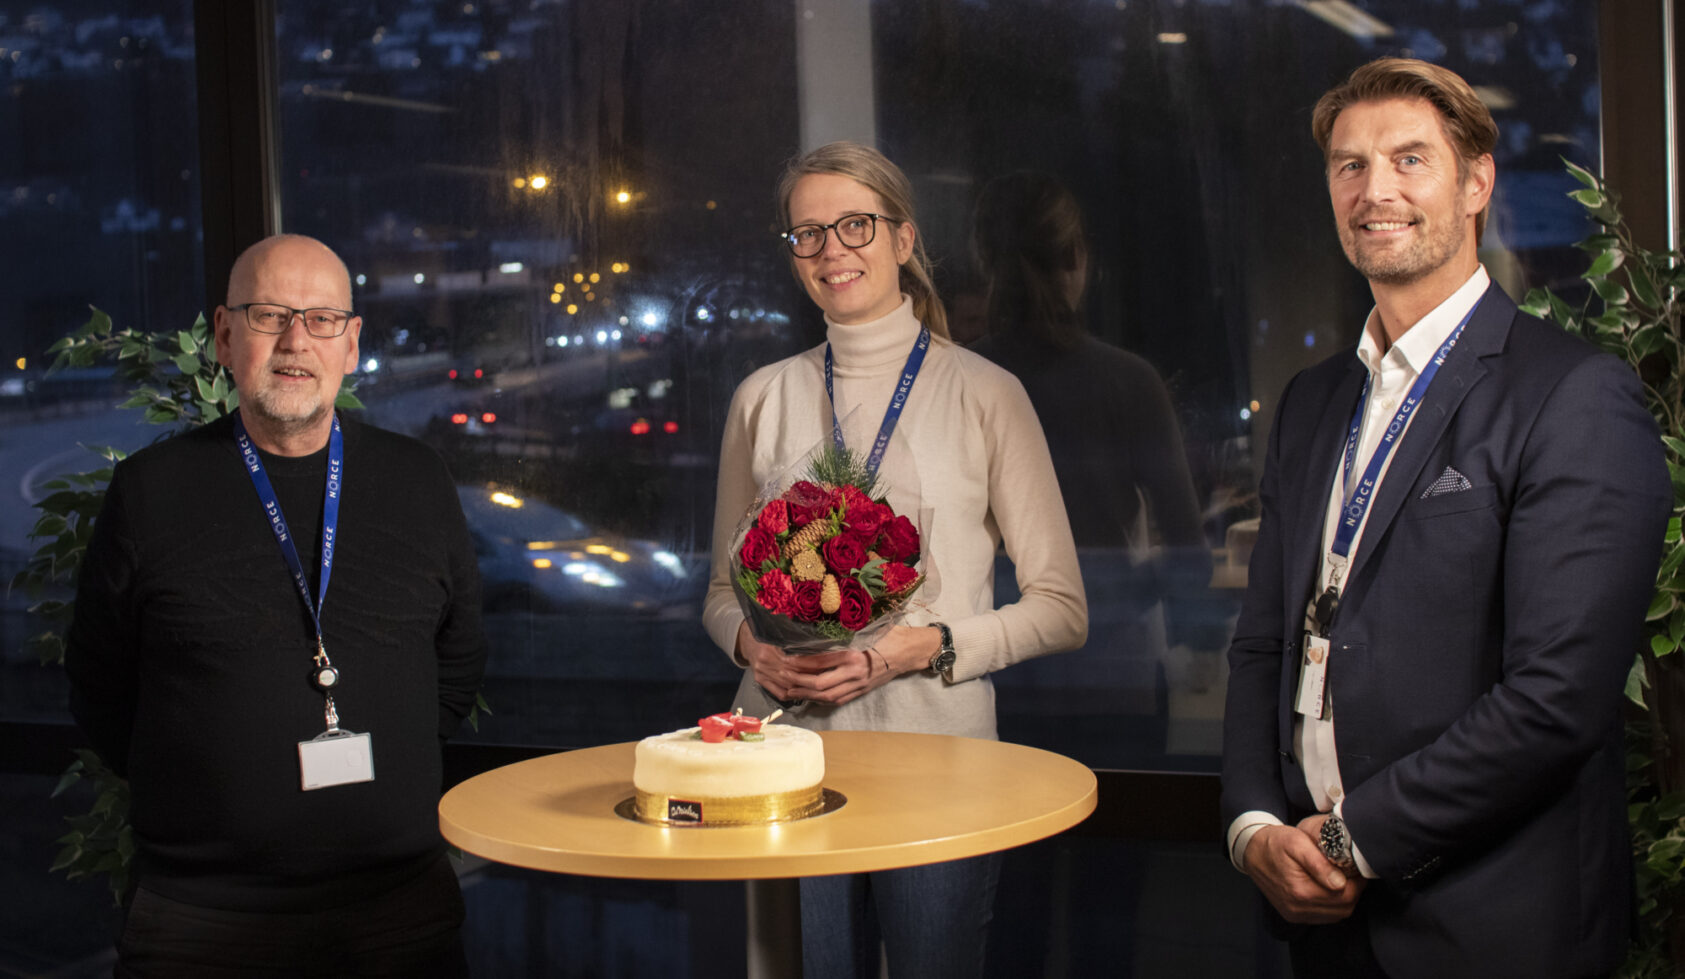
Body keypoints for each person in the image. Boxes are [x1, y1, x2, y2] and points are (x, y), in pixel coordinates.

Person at [1220, 57, 1671, 978]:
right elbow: (1265, 642)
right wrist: (1256, 827)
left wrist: (1349, 842)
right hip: (1319, 920)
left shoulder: (1572, 396)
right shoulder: (1313, 402)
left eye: (1408, 160)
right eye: (1349, 166)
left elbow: (1554, 701)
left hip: (1492, 925)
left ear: (1474, 183)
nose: (1373, 190)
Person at [702, 142, 1087, 978]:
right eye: (807, 234)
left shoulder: (985, 392)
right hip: (783, 755)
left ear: (903, 240)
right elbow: (720, 594)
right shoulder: (761, 397)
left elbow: (1061, 607)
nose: (831, 249)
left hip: (939, 758)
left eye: (854, 225)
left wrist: (922, 646)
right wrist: (752, 646)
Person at [65, 234, 488, 978]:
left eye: (322, 318)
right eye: (269, 315)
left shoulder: (417, 479)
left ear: (351, 344)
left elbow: (458, 662)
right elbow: (101, 684)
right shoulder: (149, 490)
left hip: (399, 908)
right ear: (225, 336)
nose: (297, 340)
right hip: (201, 919)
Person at [969, 171, 1219, 756]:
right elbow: (1189, 555)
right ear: (1078, 257)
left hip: (1000, 674)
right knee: (1116, 842)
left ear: (986, 260)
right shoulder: (1129, 382)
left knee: (1013, 847)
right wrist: (1117, 590)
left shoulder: (960, 383)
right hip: (1115, 673)